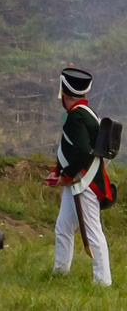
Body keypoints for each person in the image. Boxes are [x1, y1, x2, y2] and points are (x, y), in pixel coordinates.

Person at [48, 65, 114, 286]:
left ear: (63, 92)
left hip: (83, 181)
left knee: (93, 232)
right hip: (78, 180)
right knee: (64, 228)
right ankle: (59, 274)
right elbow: (69, 147)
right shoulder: (86, 114)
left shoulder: (77, 117)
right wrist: (58, 171)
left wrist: (65, 176)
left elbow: (81, 151)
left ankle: (103, 282)